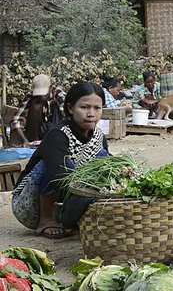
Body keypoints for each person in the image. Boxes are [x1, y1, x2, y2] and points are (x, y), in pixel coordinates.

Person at [11, 82, 108, 238]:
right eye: (84, 108)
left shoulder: (98, 137)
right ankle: (46, 220)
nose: (91, 114)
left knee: (104, 160)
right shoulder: (58, 135)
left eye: (97, 108)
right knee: (60, 165)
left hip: (70, 198)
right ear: (70, 108)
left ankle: (69, 218)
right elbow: (59, 175)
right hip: (29, 203)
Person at [11, 74, 65, 146]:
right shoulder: (31, 97)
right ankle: (35, 141)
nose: (41, 96)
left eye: (44, 94)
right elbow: (16, 120)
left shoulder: (59, 95)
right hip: (40, 129)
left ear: (50, 88)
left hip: (57, 128)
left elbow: (69, 116)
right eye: (38, 94)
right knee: (36, 104)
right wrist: (24, 140)